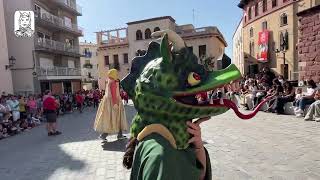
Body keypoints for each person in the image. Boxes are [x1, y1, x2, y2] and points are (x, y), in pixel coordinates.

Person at [93, 69, 128, 140]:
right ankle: (105, 135)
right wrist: (115, 104)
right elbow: (114, 94)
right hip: (114, 103)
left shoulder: (111, 81)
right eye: (116, 74)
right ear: (113, 74)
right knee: (115, 118)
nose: (117, 75)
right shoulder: (113, 83)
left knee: (113, 119)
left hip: (111, 103)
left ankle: (116, 135)